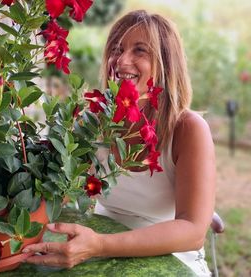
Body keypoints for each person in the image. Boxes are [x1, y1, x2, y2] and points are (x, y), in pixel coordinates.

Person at [22, 10, 216, 276]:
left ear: (166, 64)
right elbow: (60, 188)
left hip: (172, 258)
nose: (122, 60)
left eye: (139, 51)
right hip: (102, 252)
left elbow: (193, 232)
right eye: (116, 48)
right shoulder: (96, 121)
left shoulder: (188, 129)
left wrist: (100, 245)